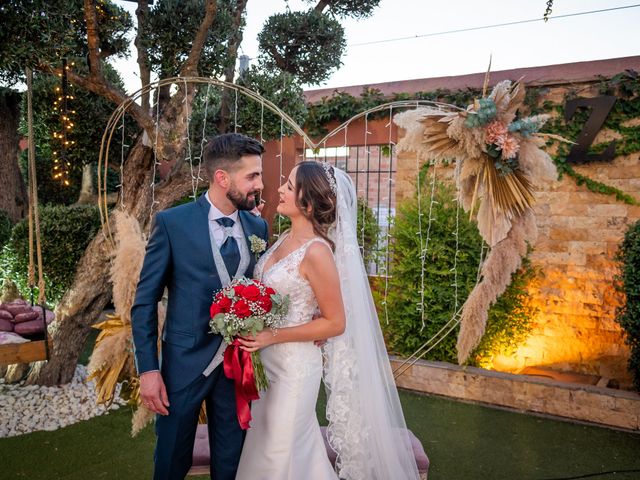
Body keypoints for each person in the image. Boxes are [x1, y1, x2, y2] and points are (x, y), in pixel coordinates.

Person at [236, 161, 420, 480]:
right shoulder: (280, 240)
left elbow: (336, 323)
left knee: (278, 454)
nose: (279, 189)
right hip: (267, 366)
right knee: (273, 450)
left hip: (294, 370)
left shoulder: (317, 252)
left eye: (290, 187)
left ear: (308, 203)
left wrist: (272, 335)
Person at [131, 133, 269, 480]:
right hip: (183, 365)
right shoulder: (172, 223)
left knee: (231, 463)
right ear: (222, 178)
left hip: (237, 368)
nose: (260, 184)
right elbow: (144, 302)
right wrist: (148, 370)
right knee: (171, 459)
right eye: (252, 176)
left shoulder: (258, 225)